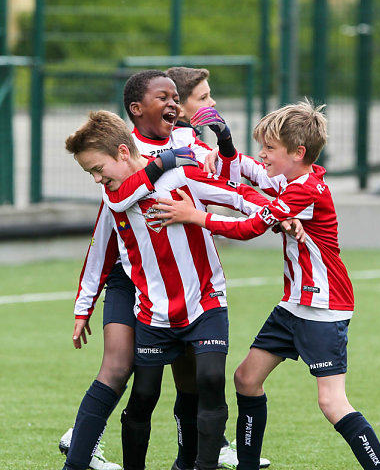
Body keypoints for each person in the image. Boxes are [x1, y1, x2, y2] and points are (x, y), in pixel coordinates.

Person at [153, 100, 380, 470]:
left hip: (323, 307)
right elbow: (247, 173)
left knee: (332, 403)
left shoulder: (305, 190)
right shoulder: (290, 179)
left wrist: (195, 215)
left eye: (270, 148)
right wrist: (227, 143)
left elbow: (250, 228)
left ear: (298, 153)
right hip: (293, 304)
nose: (263, 155)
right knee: (246, 379)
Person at [64, 109, 281, 470]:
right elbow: (98, 252)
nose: (97, 180)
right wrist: (83, 307)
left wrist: (279, 212)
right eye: (91, 174)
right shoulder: (115, 197)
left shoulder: (179, 174)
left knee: (209, 380)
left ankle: (197, 465)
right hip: (152, 309)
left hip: (205, 299)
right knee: (145, 394)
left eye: (98, 169)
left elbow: (238, 194)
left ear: (121, 151)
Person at [166, 65, 272, 469]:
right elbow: (226, 182)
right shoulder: (171, 145)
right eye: (204, 98)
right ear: (179, 105)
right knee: (133, 375)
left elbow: (233, 173)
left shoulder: (191, 141)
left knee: (193, 379)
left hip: (189, 273)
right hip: (147, 276)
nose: (212, 104)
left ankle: (192, 455)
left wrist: (224, 142)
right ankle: (86, 431)